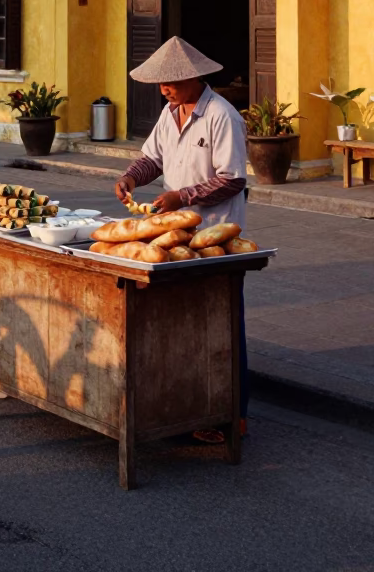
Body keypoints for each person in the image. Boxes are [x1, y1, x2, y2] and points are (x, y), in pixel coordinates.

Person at [115, 35, 249, 443]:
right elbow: (153, 157)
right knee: (182, 322)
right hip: (176, 236)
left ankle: (234, 413)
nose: (164, 89)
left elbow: (233, 179)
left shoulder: (222, 116)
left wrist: (182, 195)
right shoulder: (169, 112)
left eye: (171, 82)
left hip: (212, 238)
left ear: (194, 77)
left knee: (222, 323)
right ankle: (190, 405)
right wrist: (131, 177)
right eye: (161, 83)